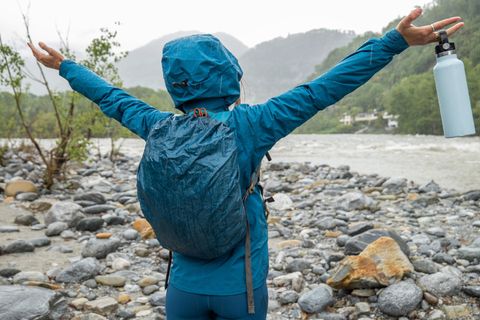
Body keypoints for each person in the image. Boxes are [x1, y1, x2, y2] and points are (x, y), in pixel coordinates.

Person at [29, 7, 463, 320]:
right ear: (229, 76)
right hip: (242, 293)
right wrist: (395, 41)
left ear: (176, 86)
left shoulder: (156, 125)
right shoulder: (253, 125)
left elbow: (110, 97)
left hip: (181, 290)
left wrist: (64, 65)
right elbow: (325, 88)